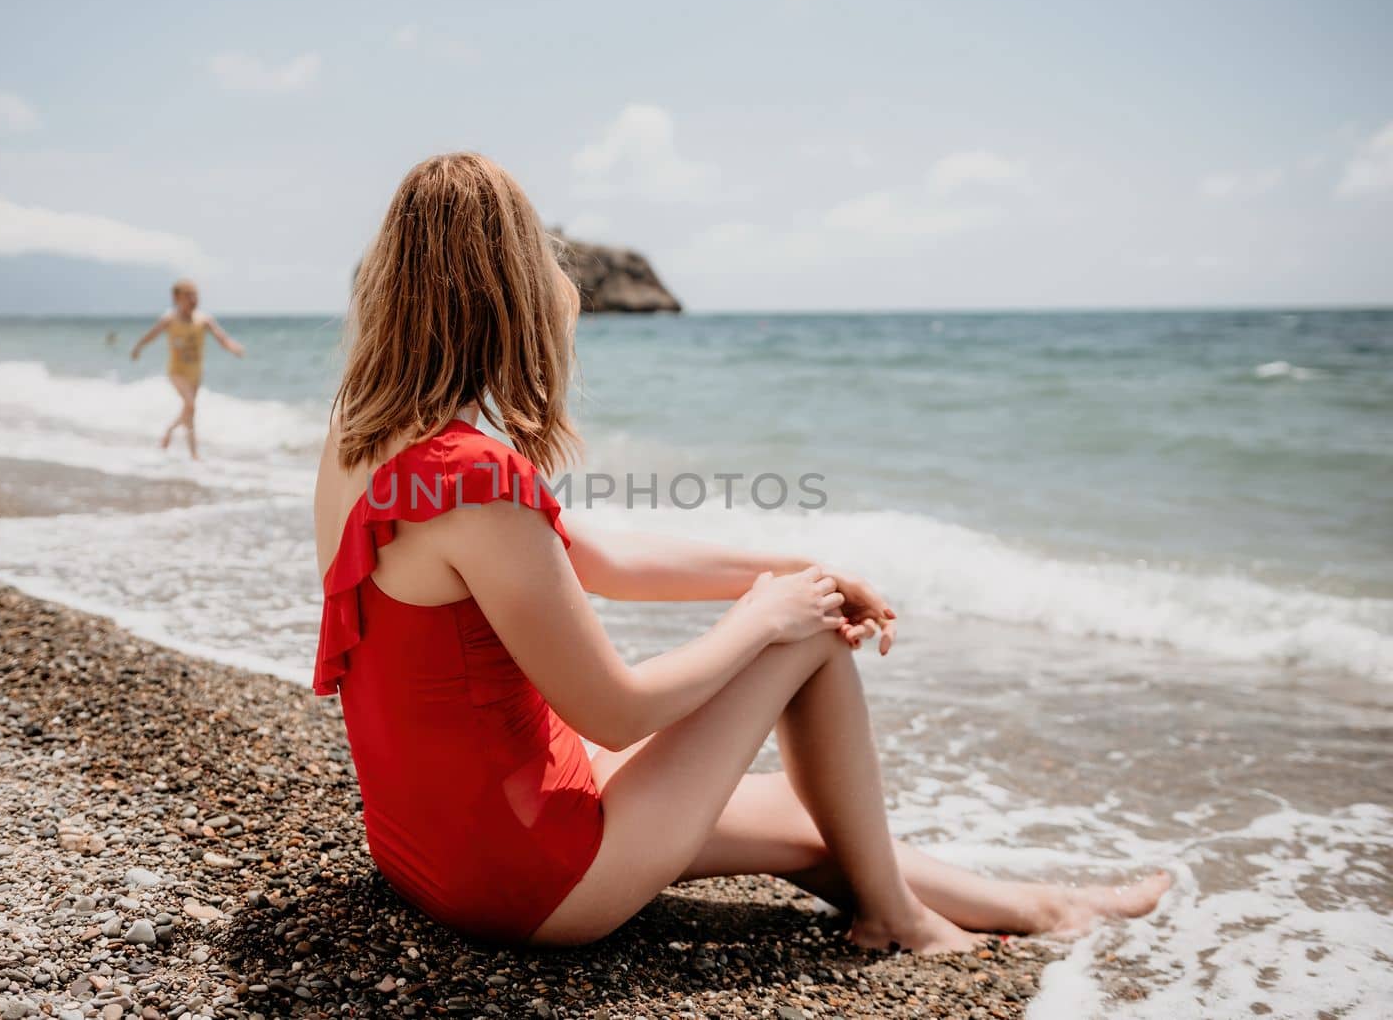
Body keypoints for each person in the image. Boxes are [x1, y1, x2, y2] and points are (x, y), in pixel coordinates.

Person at [312, 153, 1169, 951]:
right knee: (810, 635)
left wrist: (789, 563)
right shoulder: (475, 478)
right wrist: (767, 615)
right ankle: (899, 918)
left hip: (425, 846)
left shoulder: (357, 434)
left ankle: (1044, 906)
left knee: (814, 824)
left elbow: (596, 556)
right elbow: (615, 709)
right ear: (510, 294)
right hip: (529, 877)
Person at [130, 280, 244, 459]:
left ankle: (182, 443)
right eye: (188, 296)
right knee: (190, 405)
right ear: (176, 298)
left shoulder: (203, 319)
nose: (193, 300)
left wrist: (233, 347)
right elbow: (152, 335)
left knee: (190, 411)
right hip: (177, 371)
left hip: (195, 372)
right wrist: (138, 347)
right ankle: (191, 451)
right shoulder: (170, 319)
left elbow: (221, 337)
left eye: (195, 295)